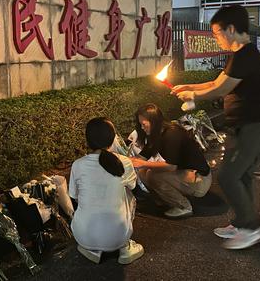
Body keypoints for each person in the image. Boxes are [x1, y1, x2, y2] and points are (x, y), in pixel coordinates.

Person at [172, 4, 260, 250]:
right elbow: (217, 81)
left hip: (254, 126)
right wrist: (189, 88)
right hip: (242, 126)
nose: (216, 38)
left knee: (229, 176)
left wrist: (194, 98)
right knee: (243, 176)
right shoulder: (238, 56)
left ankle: (253, 230)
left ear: (230, 29)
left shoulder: (246, 55)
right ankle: (242, 223)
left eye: (217, 32)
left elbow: (221, 89)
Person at [68, 117, 144, 264]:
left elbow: (74, 197)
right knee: (128, 191)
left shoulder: (78, 165)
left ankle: (92, 250)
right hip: (118, 237)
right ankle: (125, 248)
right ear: (112, 138)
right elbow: (135, 190)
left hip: (83, 236)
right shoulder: (124, 162)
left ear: (88, 140)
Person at [130, 103, 212, 219]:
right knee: (144, 171)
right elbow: (143, 156)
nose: (142, 128)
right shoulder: (156, 134)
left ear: (154, 121)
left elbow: (171, 166)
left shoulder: (172, 134)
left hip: (199, 179)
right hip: (186, 173)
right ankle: (164, 200)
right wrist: (125, 161)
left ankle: (184, 207)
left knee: (153, 176)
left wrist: (143, 163)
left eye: (144, 124)